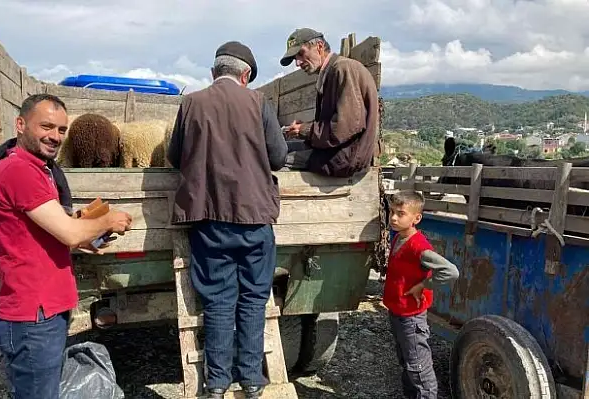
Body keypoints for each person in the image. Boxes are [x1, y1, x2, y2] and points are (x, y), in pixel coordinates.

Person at [0, 93, 133, 399]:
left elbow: (51, 230)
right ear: (21, 124)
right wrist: (107, 221)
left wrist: (84, 234)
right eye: (47, 127)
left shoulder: (39, 170)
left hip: (43, 310)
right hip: (32, 315)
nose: (55, 137)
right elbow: (66, 232)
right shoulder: (19, 171)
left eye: (62, 130)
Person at [167, 41, 288, 399]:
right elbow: (279, 157)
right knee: (252, 299)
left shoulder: (191, 103)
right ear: (245, 75)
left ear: (213, 73)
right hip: (254, 221)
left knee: (219, 302)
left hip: (210, 221)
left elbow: (175, 157)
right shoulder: (258, 102)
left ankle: (216, 384)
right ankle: (252, 380)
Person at [384, 190, 459, 399]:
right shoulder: (399, 237)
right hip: (398, 312)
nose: (394, 218)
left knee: (419, 370)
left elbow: (451, 271)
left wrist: (424, 285)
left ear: (416, 218)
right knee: (407, 363)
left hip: (411, 318)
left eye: (400, 213)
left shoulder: (419, 247)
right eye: (392, 212)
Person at [278, 28, 381, 177]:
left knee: (275, 158)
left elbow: (345, 127)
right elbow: (337, 123)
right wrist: (304, 128)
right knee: (279, 148)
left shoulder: (342, 69)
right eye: (295, 58)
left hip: (343, 159)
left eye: (301, 54)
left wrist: (305, 130)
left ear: (319, 47)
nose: (298, 63)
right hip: (335, 152)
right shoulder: (331, 72)